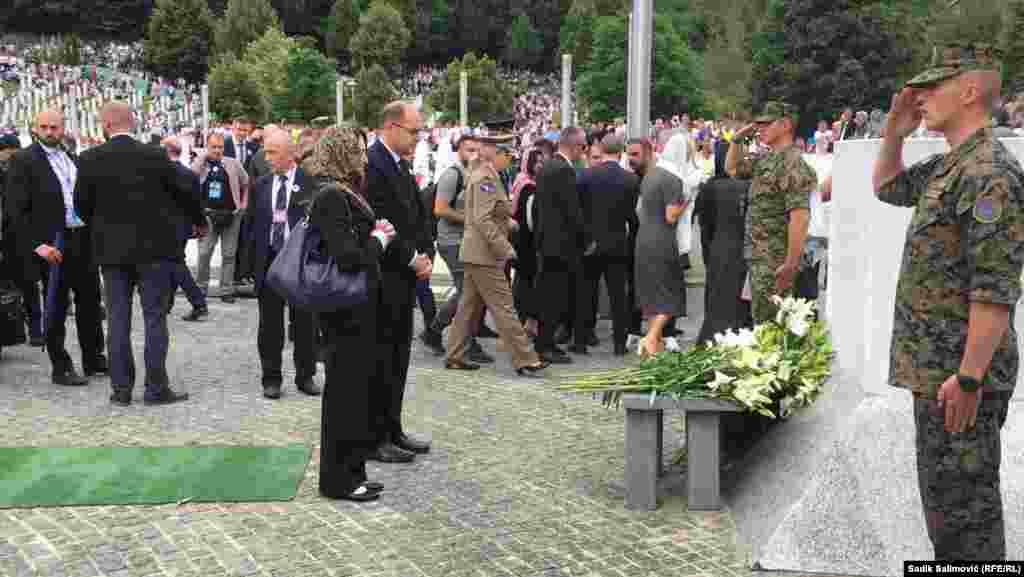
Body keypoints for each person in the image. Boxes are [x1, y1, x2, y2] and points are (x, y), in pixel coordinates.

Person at [871, 42, 1022, 560]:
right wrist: (894, 132)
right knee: (947, 515)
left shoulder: (988, 173)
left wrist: (970, 378)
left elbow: (994, 289)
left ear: (970, 90)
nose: (921, 96)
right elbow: (887, 187)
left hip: (961, 379)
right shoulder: (952, 165)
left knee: (968, 522)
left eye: (934, 86)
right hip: (939, 374)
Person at [75, 101, 206, 406]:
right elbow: (184, 189)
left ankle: (121, 390)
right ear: (132, 122)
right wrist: (197, 220)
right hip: (153, 251)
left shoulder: (90, 158)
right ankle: (156, 388)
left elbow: (81, 205)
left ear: (105, 125)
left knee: (118, 321)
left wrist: (104, 225)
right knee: (154, 319)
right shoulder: (154, 154)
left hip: (111, 253)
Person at [304, 126, 394, 502]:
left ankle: (354, 471)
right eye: (357, 149)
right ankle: (338, 480)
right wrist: (379, 240)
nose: (364, 156)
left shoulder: (343, 192)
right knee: (344, 395)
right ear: (342, 153)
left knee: (356, 393)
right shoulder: (331, 196)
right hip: (344, 310)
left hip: (358, 305)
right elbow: (348, 256)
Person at [5, 109, 107, 385]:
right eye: (44, 127)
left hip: (81, 238)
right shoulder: (24, 160)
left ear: (64, 128)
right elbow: (15, 210)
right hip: (52, 243)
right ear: (35, 129)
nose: (49, 132)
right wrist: (37, 245)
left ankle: (94, 358)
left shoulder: (71, 157)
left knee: (90, 302)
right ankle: (60, 366)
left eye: (54, 127)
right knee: (56, 305)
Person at [443, 132, 547, 376]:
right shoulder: (485, 178)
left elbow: (486, 213)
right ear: (497, 153)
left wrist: (507, 223)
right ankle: (526, 359)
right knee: (504, 307)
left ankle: (455, 355)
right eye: (508, 156)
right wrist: (504, 247)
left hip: (477, 252)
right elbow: (482, 219)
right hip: (484, 254)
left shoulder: (486, 174)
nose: (510, 162)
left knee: (467, 308)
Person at [366, 101, 434, 463]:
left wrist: (426, 252)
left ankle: (393, 429)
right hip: (385, 277)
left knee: (398, 358)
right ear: (391, 127)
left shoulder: (399, 163)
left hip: (404, 277)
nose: (418, 137)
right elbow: (380, 223)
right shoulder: (373, 164)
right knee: (382, 361)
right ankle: (376, 437)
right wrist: (412, 258)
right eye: (413, 131)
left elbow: (414, 216)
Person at [726, 102, 816, 324]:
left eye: (767, 124)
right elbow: (732, 168)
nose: (760, 129)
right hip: (760, 256)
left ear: (785, 125)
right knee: (763, 321)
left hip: (776, 260)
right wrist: (737, 139)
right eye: (759, 124)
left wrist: (791, 264)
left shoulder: (793, 164)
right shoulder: (766, 159)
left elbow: (800, 217)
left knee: (774, 324)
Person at [248, 129, 321, 400]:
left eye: (272, 152)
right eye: (265, 152)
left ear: (291, 154)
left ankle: (305, 375)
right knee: (269, 325)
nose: (267, 158)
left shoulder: (310, 183)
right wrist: (250, 266)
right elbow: (252, 225)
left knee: (304, 322)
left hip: (299, 261)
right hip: (269, 260)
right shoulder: (261, 185)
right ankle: (271, 378)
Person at [574, 133, 639, 356]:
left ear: (601, 150)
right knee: (618, 296)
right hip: (617, 243)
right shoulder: (630, 180)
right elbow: (631, 215)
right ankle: (619, 344)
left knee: (585, 293)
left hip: (591, 243)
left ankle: (580, 341)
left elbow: (579, 211)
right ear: (621, 152)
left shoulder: (586, 176)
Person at [533, 127, 587, 364]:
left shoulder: (547, 166)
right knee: (555, 297)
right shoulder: (564, 170)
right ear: (574, 146)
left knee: (548, 295)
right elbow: (572, 211)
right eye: (583, 146)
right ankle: (546, 345)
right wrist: (585, 239)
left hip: (547, 242)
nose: (583, 151)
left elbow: (538, 208)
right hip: (561, 245)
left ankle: (545, 342)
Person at [632, 134, 690, 357]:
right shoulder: (672, 179)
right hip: (662, 242)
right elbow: (671, 216)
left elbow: (639, 210)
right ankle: (650, 338)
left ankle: (653, 343)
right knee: (670, 294)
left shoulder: (649, 176)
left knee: (652, 295)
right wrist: (687, 202)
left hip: (643, 240)